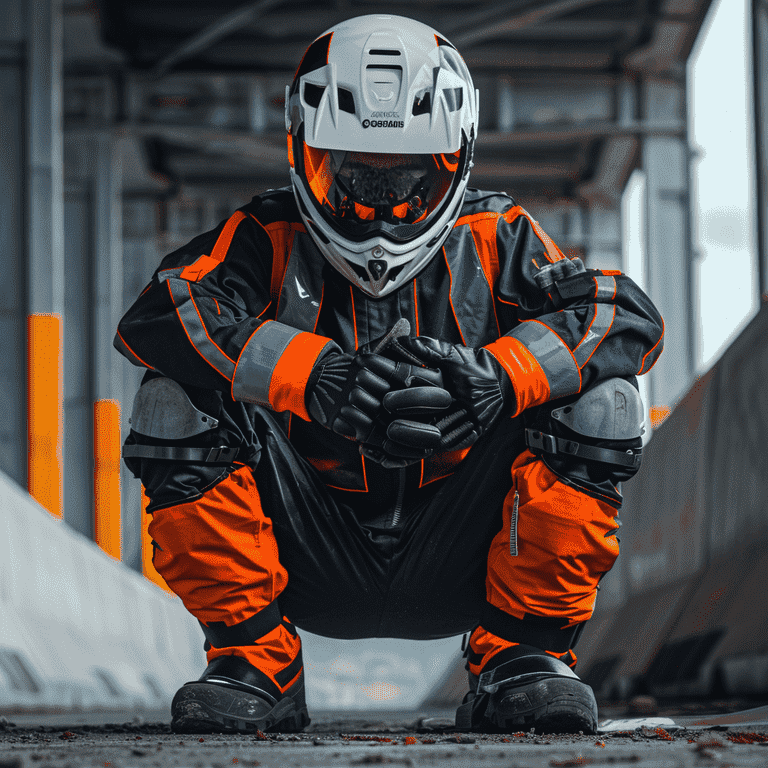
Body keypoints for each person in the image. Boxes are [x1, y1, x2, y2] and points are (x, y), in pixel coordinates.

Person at [116, 14, 663, 736]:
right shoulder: (263, 239)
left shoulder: (498, 238)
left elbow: (622, 317)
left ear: (455, 161)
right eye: (349, 171)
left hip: (468, 553)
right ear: (304, 153)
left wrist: (499, 376)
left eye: (406, 176)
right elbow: (159, 315)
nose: (376, 203)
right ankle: (255, 660)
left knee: (605, 398)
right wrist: (315, 376)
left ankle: (520, 658)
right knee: (170, 396)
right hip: (304, 553)